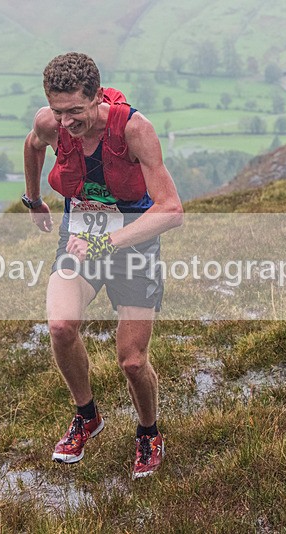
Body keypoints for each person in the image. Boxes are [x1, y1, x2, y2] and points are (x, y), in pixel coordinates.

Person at [22, 52, 183, 479]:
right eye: (59, 112)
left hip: (132, 243)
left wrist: (106, 241)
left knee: (131, 361)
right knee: (60, 326)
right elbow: (34, 144)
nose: (66, 122)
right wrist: (34, 199)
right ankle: (87, 416)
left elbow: (171, 210)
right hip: (80, 238)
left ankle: (148, 432)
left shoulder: (134, 129)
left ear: (97, 98)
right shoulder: (49, 122)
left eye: (76, 111)